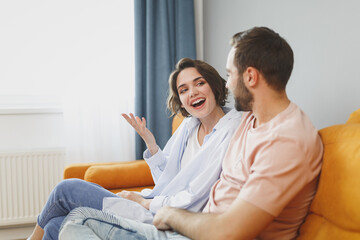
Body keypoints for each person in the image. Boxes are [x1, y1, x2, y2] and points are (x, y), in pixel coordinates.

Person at [58, 26, 323, 240]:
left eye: (230, 74)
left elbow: (229, 231)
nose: (227, 82)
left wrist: (170, 214)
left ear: (250, 77)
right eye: (184, 89)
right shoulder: (251, 121)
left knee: (77, 216)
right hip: (195, 225)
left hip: (204, 230)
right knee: (58, 223)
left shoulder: (286, 140)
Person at [28, 58, 242, 240]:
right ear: (181, 101)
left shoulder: (231, 129)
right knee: (55, 225)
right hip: (153, 204)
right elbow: (166, 180)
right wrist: (151, 143)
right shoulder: (189, 125)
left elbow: (195, 195)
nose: (192, 93)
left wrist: (142, 202)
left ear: (214, 85)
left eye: (199, 83)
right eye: (183, 90)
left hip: (168, 217)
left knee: (66, 189)